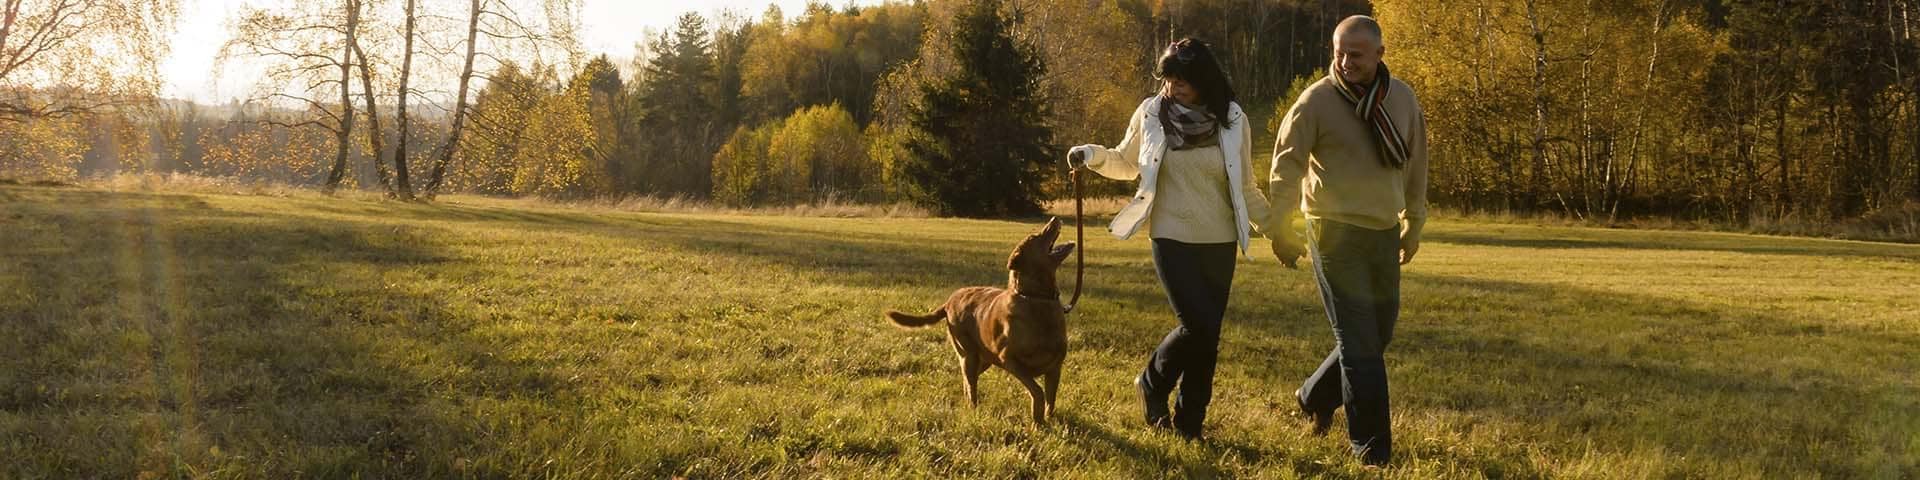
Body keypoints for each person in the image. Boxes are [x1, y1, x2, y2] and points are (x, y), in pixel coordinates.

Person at [1066, 38, 1271, 441]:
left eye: (1182, 80)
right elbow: (1126, 162)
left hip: (1220, 241)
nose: (1172, 86)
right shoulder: (1151, 114)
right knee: (1196, 324)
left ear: (1204, 80)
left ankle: (1190, 423)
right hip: (1170, 235)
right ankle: (1152, 382)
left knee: (1208, 336)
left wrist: (1276, 230)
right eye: (1168, 78)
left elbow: (1246, 187)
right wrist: (1089, 155)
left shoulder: (1232, 119)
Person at [1267, 15, 1430, 466]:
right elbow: (1285, 167)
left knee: (1377, 335)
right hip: (1332, 231)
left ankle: (1313, 396)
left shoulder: (1401, 99)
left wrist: (1413, 221)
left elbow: (1416, 165)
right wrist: (1279, 229)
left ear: (1379, 55)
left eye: (1355, 54)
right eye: (1338, 52)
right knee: (1359, 346)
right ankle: (1371, 450)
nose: (1345, 61)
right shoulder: (1315, 101)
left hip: (1381, 231)